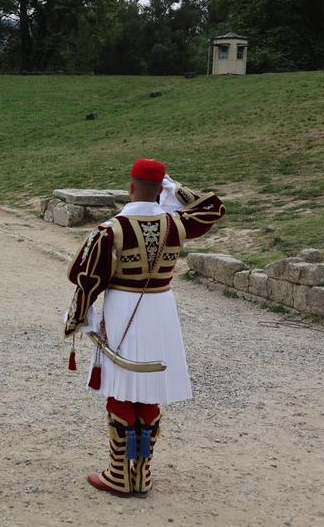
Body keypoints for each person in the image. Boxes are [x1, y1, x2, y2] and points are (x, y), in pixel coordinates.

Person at [64, 159, 226, 498]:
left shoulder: (112, 229)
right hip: (161, 310)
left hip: (124, 309)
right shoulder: (177, 222)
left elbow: (81, 273)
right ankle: (142, 474)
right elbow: (213, 208)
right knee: (149, 391)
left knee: (122, 387)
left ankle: (119, 475)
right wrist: (175, 188)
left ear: (131, 187)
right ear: (159, 190)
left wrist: (79, 315)